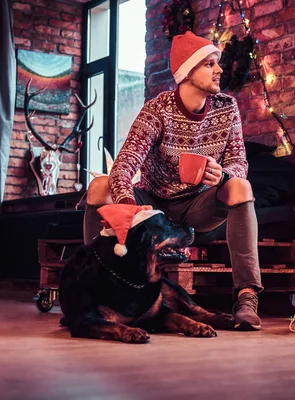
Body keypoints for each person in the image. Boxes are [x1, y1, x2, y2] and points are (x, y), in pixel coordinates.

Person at [83, 31, 263, 331]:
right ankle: (92, 290)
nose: (218, 70)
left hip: (198, 205)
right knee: (99, 187)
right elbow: (125, 164)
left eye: (217, 63)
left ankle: (246, 296)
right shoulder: (158, 110)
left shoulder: (227, 108)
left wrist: (225, 174)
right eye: (209, 64)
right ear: (187, 72)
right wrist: (128, 206)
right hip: (152, 203)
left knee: (241, 185)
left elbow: (239, 162)